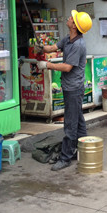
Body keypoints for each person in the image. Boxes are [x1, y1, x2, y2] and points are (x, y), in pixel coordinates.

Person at [35, 10, 92, 171]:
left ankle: (65, 157)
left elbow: (67, 67)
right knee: (79, 121)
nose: (68, 18)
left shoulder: (78, 45)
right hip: (70, 87)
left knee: (70, 124)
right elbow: (53, 47)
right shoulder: (68, 39)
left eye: (71, 18)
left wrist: (47, 65)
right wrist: (42, 49)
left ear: (75, 25)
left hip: (74, 89)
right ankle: (82, 151)